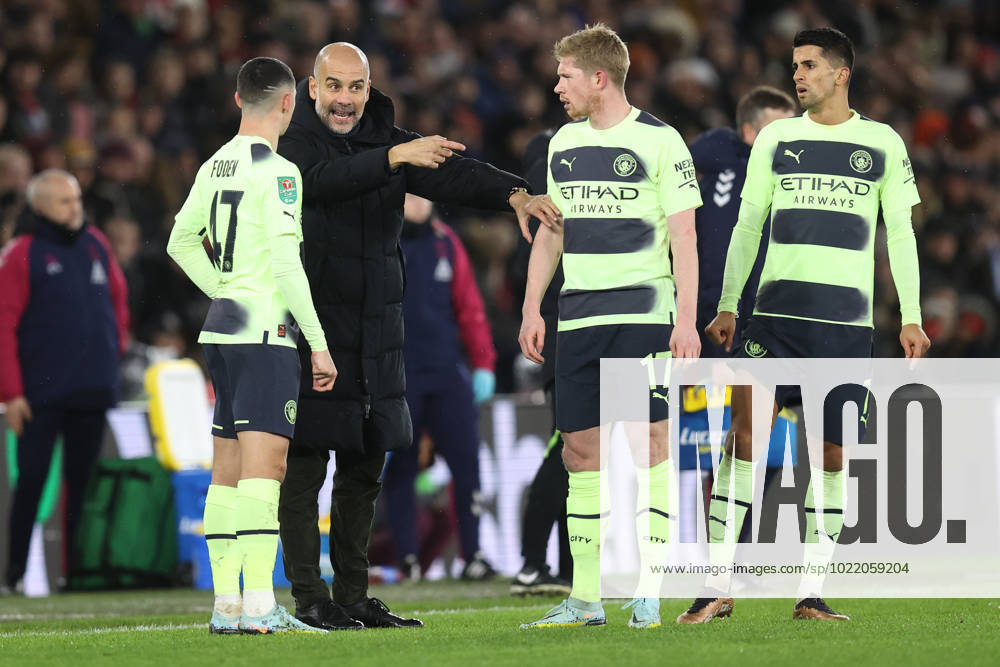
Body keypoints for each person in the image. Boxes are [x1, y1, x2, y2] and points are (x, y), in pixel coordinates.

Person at [275, 42, 561, 631]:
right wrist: (393, 158)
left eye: (356, 87)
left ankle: (352, 597)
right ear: (311, 88)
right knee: (304, 467)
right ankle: (308, 597)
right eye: (335, 86)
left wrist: (514, 193)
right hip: (313, 329)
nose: (346, 100)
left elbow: (451, 171)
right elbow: (318, 183)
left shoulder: (385, 136)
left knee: (364, 466)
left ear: (369, 86)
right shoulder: (291, 141)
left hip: (379, 329)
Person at [677, 27, 931, 625]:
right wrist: (729, 303)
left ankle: (811, 592)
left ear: (841, 74)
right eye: (794, 65)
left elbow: (901, 234)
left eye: (810, 66)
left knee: (833, 456)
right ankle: (715, 586)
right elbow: (746, 225)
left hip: (844, 328)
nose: (798, 76)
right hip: (773, 320)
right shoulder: (777, 138)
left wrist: (913, 316)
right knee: (744, 438)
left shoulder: (882, 143)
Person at [518, 23, 702, 630]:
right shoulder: (561, 144)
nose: (557, 85)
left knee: (649, 447)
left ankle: (649, 589)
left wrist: (685, 322)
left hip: (642, 318)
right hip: (580, 319)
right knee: (579, 451)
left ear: (599, 78)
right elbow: (552, 230)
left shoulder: (660, 141)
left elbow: (684, 236)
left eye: (566, 75)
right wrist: (531, 307)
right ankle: (586, 598)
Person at [166, 56, 337, 635]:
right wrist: (317, 343)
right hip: (264, 335)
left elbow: (179, 241)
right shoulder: (280, 171)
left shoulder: (214, 165)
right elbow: (288, 267)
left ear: (239, 100)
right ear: (288, 103)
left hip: (221, 332)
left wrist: (225, 289)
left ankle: (227, 606)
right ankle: (262, 606)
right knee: (267, 470)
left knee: (228, 471)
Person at [0, 169, 129, 594]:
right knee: (32, 482)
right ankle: (15, 574)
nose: (75, 208)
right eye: (64, 202)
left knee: (82, 489)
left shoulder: (95, 243)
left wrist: (114, 357)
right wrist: (12, 393)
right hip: (39, 396)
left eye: (76, 199)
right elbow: (3, 325)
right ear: (40, 207)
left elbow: (118, 303)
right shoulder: (22, 253)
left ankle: (76, 575)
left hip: (91, 389)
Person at [685, 87, 798, 545]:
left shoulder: (787, 179)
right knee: (724, 439)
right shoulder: (717, 170)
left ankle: (739, 543)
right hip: (720, 324)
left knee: (772, 442)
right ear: (750, 133)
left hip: (774, 323)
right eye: (777, 129)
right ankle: (727, 548)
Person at [383, 193, 497, 582]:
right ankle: (408, 557)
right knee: (401, 466)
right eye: (412, 194)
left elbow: (469, 306)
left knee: (467, 463)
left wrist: (482, 363)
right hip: (400, 373)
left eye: (426, 195)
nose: (421, 202)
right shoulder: (385, 238)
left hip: (447, 371)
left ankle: (474, 554)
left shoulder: (446, 241)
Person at [508, 127, 572, 597]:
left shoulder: (538, 219)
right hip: (567, 333)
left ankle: (569, 565)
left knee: (580, 455)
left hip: (562, 332)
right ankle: (532, 563)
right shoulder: (548, 220)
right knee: (568, 449)